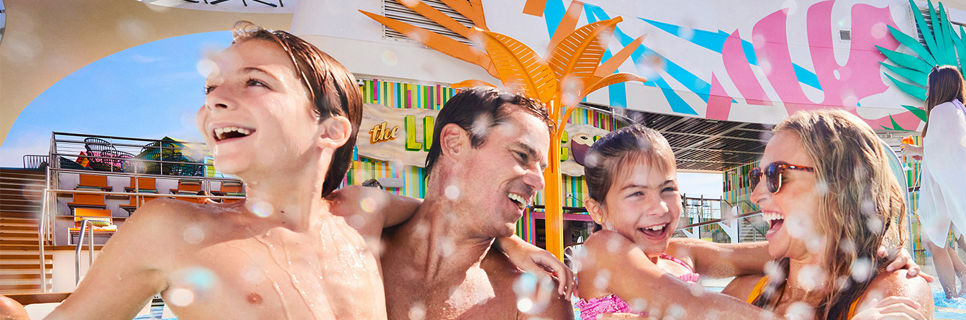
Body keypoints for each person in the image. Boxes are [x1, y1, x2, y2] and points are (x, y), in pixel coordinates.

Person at [46, 22, 386, 319]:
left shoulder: (361, 213)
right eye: (210, 88)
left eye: (255, 82)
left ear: (330, 130)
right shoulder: (171, 231)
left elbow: (436, 214)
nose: (214, 99)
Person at [364, 87, 574, 319]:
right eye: (521, 155)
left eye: (541, 169)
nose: (539, 182)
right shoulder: (354, 245)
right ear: (454, 143)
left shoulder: (537, 300)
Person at [721, 109, 933, 319]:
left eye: (775, 174)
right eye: (757, 176)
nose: (755, 195)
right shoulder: (743, 292)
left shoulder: (892, 292)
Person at [573, 125, 773, 319]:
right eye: (637, 193)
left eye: (668, 189)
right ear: (597, 210)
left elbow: (778, 255)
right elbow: (691, 307)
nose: (661, 208)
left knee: (759, 279)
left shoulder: (680, 254)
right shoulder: (602, 249)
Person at [903, 65, 966, 299]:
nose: (927, 92)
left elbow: (941, 151)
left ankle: (952, 296)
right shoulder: (961, 111)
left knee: (934, 243)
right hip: (956, 185)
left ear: (939, 86)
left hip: (943, 187)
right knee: (940, 243)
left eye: (930, 86)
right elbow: (955, 150)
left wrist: (915, 149)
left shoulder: (941, 111)